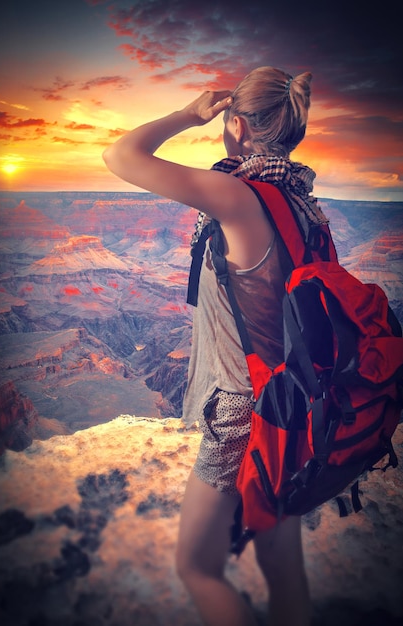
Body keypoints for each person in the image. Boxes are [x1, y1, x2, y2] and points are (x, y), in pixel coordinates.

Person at [103, 66, 328, 626]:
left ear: (236, 125)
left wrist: (186, 115)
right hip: (290, 409)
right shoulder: (301, 202)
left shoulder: (239, 196)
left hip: (241, 417)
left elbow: (121, 155)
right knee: (284, 571)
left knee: (197, 568)